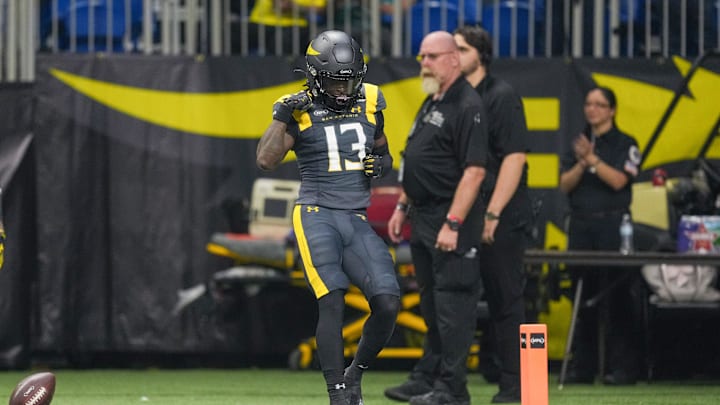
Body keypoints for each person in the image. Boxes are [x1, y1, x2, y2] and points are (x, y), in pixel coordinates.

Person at [384, 25, 531, 405]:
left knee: (502, 301)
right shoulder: (438, 97)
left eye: (458, 49)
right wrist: (404, 203)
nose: (425, 63)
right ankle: (431, 377)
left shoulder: (496, 98)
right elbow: (416, 156)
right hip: (447, 211)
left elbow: (511, 160)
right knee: (441, 302)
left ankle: (515, 388)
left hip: (491, 214)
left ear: (469, 55)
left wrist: (493, 214)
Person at [256, 30, 401, 405]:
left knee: (387, 302)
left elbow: (384, 153)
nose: (344, 90)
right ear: (316, 77)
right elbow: (266, 160)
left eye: (350, 80)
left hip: (356, 216)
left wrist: (378, 165)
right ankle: (337, 393)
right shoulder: (298, 108)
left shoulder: (370, 98)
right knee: (332, 297)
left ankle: (355, 375)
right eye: (336, 82)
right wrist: (281, 117)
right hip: (316, 213)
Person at [558, 86, 642, 385]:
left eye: (599, 104)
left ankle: (623, 369)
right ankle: (584, 368)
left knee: (618, 298)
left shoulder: (625, 143)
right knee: (583, 299)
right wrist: (583, 161)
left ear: (612, 110)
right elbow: (565, 185)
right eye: (588, 103)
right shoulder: (578, 144)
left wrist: (593, 161)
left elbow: (619, 181)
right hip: (581, 227)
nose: (592, 109)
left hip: (614, 227)